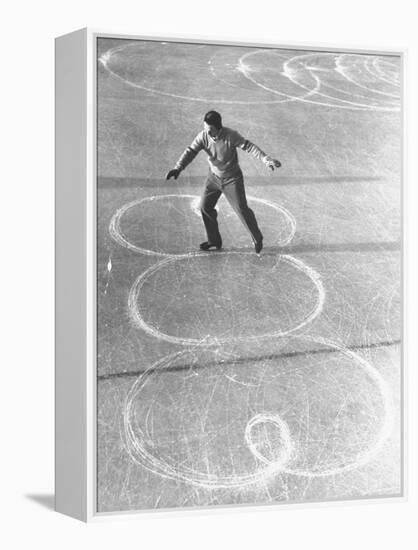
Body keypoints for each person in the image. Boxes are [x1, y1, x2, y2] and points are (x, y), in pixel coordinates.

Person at [166, 110, 281, 253]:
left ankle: (257, 237)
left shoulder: (230, 135)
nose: (206, 132)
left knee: (241, 209)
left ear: (218, 128)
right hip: (213, 178)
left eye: (210, 129)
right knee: (205, 207)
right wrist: (178, 167)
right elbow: (190, 151)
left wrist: (265, 159)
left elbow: (249, 147)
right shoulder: (203, 136)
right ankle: (214, 241)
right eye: (205, 128)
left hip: (232, 179)